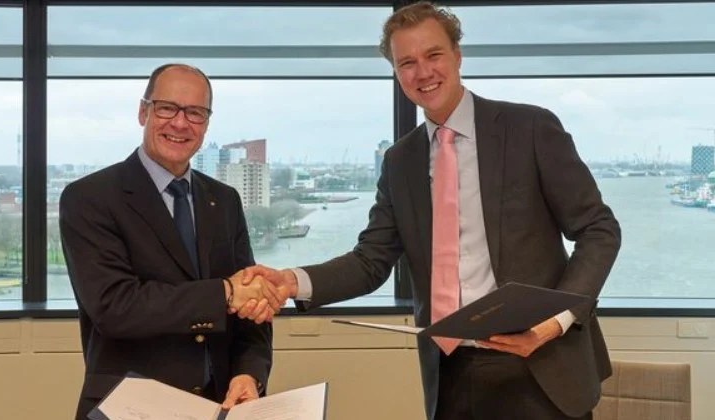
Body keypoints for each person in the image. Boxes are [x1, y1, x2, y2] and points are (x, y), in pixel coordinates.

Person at [240, 3, 621, 420]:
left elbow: (598, 229)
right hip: (450, 372)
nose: (423, 72)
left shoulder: (529, 128)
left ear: (457, 56)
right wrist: (291, 281)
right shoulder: (399, 161)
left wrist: (556, 319)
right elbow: (370, 261)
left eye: (434, 55)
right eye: (407, 62)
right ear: (396, 73)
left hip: (542, 365)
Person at [59, 63, 285, 420]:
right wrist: (225, 293)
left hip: (220, 405)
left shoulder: (224, 200)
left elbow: (250, 310)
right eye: (167, 108)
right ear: (143, 112)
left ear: (206, 123)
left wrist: (249, 374)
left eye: (195, 113)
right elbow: (115, 307)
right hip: (129, 409)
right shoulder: (89, 198)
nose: (180, 123)